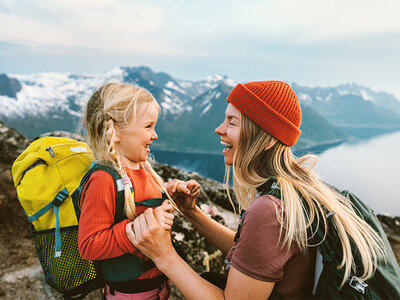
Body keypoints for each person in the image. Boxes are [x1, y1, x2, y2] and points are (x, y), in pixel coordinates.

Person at [125, 80, 388, 299]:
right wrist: (193, 213)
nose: (219, 129)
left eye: (232, 122)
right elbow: (253, 253)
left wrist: (163, 254)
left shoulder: (270, 211)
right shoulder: (296, 186)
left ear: (267, 139)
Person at [77, 83, 200, 299]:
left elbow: (142, 202)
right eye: (148, 126)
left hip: (159, 284)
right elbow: (89, 246)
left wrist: (169, 194)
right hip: (131, 294)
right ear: (115, 131)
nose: (155, 135)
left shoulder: (142, 167)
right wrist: (138, 228)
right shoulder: (103, 179)